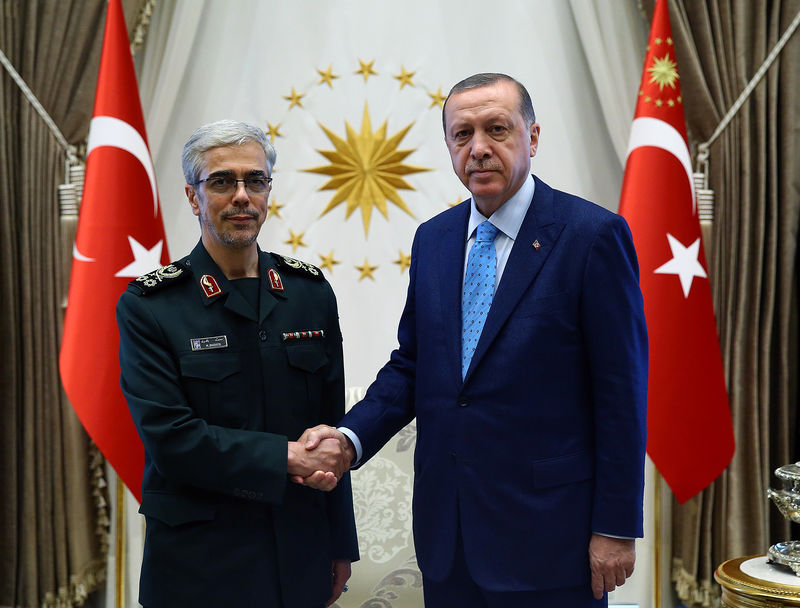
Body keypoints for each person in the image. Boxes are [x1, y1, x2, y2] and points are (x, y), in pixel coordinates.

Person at [297, 73, 647, 607]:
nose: (479, 148)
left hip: (553, 541)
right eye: (462, 135)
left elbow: (621, 394)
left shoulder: (592, 236)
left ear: (531, 138)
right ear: (449, 147)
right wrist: (349, 439)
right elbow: (413, 366)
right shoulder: (434, 240)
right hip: (450, 542)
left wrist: (616, 527)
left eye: (496, 129)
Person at [116, 119, 358, 608]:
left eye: (256, 180)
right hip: (200, 564)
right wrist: (288, 456)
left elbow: (330, 428)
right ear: (192, 196)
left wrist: (340, 544)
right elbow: (172, 439)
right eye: (222, 181)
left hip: (298, 551)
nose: (242, 195)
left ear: (269, 190)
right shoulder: (152, 305)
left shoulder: (309, 294)